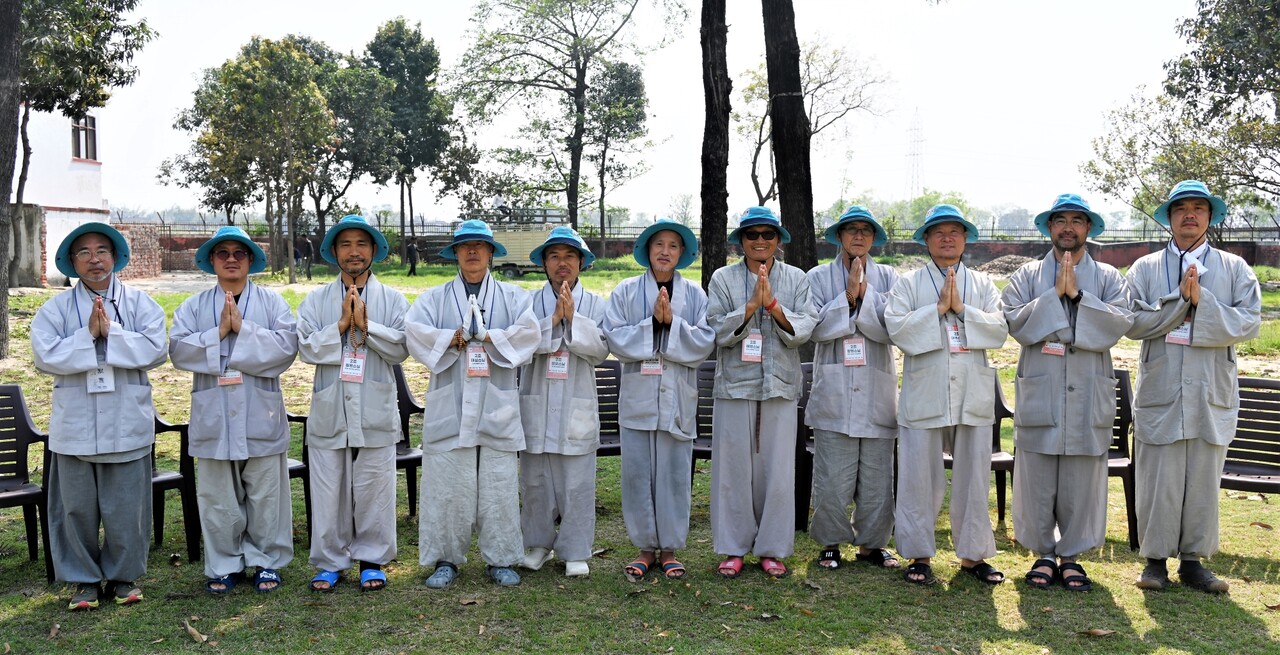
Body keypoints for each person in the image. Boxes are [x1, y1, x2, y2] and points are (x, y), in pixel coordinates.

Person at [1126, 180, 1261, 593]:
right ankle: (1154, 561)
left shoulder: (1235, 268)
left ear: (1209, 216)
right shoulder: (1145, 269)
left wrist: (1205, 303)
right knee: (1158, 477)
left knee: (1202, 477)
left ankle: (1193, 562)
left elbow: (1248, 322)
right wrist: (1178, 304)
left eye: (1198, 208)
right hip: (1161, 388)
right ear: (1168, 217)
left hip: (1209, 388)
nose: (1189, 214)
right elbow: (1131, 322)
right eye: (1180, 207)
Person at [31, 222, 168, 610]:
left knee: (127, 506)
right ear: (72, 262)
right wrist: (86, 335)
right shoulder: (54, 308)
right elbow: (44, 356)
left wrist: (112, 333)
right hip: (76, 424)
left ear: (116, 257)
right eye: (84, 253)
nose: (95, 260)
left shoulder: (140, 303)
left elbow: (157, 348)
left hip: (127, 420)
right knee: (75, 508)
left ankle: (124, 578)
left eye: (102, 251)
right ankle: (83, 581)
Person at [1002, 194, 1133, 592]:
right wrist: (1053, 295)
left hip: (1087, 389)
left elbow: (1120, 323)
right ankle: (1043, 554)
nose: (1068, 228)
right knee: (1036, 475)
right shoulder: (1026, 276)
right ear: (1049, 228)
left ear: (1089, 229)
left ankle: (1072, 556)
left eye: (1077, 220)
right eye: (1061, 220)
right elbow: (1014, 322)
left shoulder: (1109, 278)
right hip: (1041, 387)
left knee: (1082, 477)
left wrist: (1078, 296)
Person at [406, 220, 540, 589]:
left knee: (497, 482)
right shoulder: (433, 298)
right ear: (455, 254)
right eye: (465, 246)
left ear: (491, 253)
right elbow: (413, 331)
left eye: (480, 246)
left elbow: (529, 333)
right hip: (450, 401)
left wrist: (490, 337)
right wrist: (452, 338)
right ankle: (445, 559)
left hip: (496, 403)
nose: (473, 252)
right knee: (448, 483)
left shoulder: (515, 297)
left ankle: (500, 558)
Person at [169, 226, 299, 594]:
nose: (230, 259)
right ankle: (224, 564)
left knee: (266, 493)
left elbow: (286, 349)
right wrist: (216, 334)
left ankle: (266, 562)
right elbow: (178, 351)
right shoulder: (192, 307)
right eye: (222, 253)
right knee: (217, 495)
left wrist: (242, 330)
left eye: (238, 253)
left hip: (261, 411)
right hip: (214, 412)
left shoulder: (273, 304)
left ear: (250, 261)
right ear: (211, 261)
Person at [885, 204, 1009, 586]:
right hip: (925, 389)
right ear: (926, 239)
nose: (947, 238)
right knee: (919, 476)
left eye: (955, 231)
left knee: (973, 476)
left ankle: (973, 556)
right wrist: (939, 309)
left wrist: (962, 311)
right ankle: (919, 555)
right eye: (938, 232)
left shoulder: (985, 285)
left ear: (966, 238)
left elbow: (999, 330)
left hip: (971, 389)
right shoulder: (908, 284)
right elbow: (897, 329)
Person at [297, 214, 409, 593]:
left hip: (374, 404)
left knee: (375, 486)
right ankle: (330, 562)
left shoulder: (393, 300)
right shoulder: (315, 300)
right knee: (329, 487)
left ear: (374, 250)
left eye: (362, 244)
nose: (354, 252)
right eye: (345, 244)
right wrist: (342, 326)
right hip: (331, 407)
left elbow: (401, 348)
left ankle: (372, 560)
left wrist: (368, 326)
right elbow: (307, 348)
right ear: (333, 253)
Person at [706, 206, 817, 579]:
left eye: (767, 235)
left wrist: (772, 306)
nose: (759, 241)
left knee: (778, 471)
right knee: (733, 470)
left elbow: (804, 328)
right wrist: (751, 305)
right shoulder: (722, 279)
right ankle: (734, 548)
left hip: (780, 387)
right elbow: (718, 332)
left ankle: (771, 549)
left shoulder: (798, 279)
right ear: (740, 242)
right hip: (735, 387)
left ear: (778, 241)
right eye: (751, 235)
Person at [604, 218, 716, 580]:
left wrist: (672, 325)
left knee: (673, 473)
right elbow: (614, 339)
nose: (665, 252)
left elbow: (704, 343)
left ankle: (669, 548)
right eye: (658, 245)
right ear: (647, 251)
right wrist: (652, 324)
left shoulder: (696, 296)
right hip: (638, 396)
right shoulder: (625, 291)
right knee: (637, 473)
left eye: (672, 245)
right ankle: (644, 548)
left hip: (676, 398)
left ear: (681, 253)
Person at [805, 206, 901, 571]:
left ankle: (872, 544)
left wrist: (865, 295)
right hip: (835, 388)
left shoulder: (891, 277)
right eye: (851, 230)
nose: (859, 236)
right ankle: (830, 542)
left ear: (874, 238)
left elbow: (893, 328)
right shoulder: (816, 278)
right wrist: (847, 297)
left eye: (866, 230)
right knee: (831, 476)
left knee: (877, 477)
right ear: (839, 237)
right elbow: (815, 328)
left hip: (876, 386)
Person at [517, 227, 610, 577]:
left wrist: (573, 320)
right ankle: (538, 543)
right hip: (536, 401)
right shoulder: (526, 303)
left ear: (581, 263)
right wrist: (552, 320)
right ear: (543, 262)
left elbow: (601, 349)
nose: (562, 264)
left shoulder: (597, 304)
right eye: (554, 256)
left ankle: (575, 550)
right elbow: (519, 346)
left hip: (577, 404)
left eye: (570, 256)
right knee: (535, 478)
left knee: (577, 482)